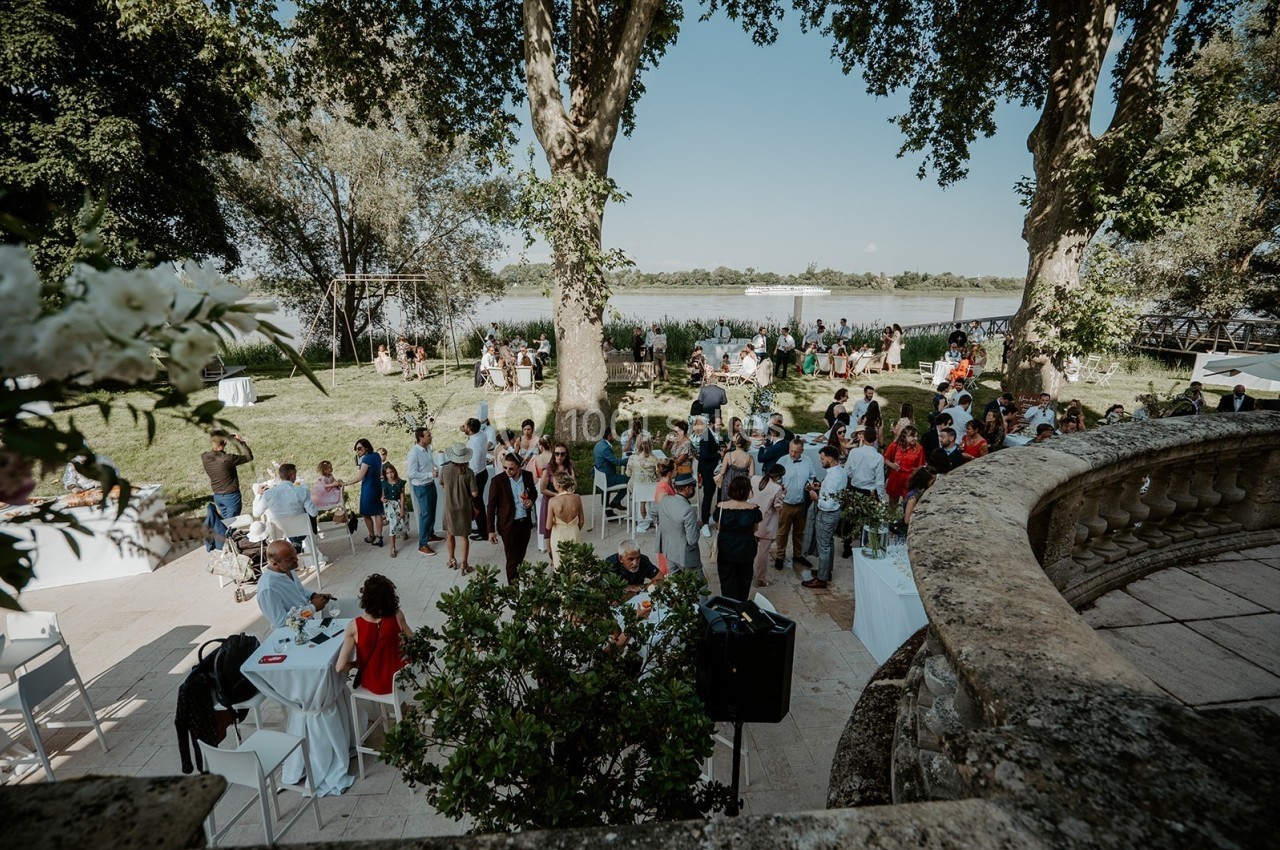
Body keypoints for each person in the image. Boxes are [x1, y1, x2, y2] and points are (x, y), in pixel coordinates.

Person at [335, 574, 412, 696]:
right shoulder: (397, 615)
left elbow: (340, 667)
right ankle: (403, 707)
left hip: (375, 684)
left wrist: (355, 664)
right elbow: (414, 641)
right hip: (401, 679)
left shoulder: (354, 626)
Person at [801, 446, 847, 590]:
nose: (821, 461)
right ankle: (826, 571)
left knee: (824, 547)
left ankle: (821, 579)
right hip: (835, 513)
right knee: (829, 543)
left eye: (822, 459)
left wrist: (816, 498)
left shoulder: (834, 477)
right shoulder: (840, 471)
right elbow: (832, 494)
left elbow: (828, 504)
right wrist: (821, 487)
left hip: (827, 514)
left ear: (830, 458)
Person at [256, 540, 331, 628]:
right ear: (275, 564)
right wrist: (313, 608)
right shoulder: (268, 588)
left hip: (307, 623)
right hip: (291, 633)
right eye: (290, 559)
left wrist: (313, 595)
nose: (296, 559)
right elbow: (281, 621)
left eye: (295, 554)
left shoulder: (287, 569)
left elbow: (300, 591)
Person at [488, 452, 537, 584]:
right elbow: (491, 507)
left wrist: (531, 501)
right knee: (512, 560)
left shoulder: (527, 476)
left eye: (511, 468)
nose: (507, 471)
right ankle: (513, 591)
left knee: (520, 557)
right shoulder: (497, 481)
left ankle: (518, 583)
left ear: (519, 466)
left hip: (524, 524)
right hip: (508, 525)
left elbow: (533, 492)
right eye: (505, 468)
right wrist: (490, 530)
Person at [202, 431, 253, 551]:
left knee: (225, 523)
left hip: (218, 497)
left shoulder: (205, 457)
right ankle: (226, 551)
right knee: (229, 528)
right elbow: (249, 457)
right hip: (231, 498)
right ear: (225, 442)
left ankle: (228, 547)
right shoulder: (227, 459)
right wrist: (241, 442)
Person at [714, 476, 761, 600]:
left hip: (726, 548)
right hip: (746, 548)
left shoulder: (721, 507)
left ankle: (730, 605)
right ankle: (741, 605)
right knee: (744, 579)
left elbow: (718, 527)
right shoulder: (753, 508)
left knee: (727, 579)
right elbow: (755, 529)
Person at [774, 438, 817, 572]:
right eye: (791, 451)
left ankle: (798, 555)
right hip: (786, 503)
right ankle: (780, 556)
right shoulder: (782, 461)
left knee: (800, 532)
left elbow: (812, 476)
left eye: (796, 452)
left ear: (802, 451)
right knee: (782, 532)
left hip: (801, 503)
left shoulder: (808, 461)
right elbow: (774, 479)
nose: (793, 454)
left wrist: (810, 485)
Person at [251, 463, 318, 549]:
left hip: (280, 531)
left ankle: (295, 543)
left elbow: (256, 513)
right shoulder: (302, 491)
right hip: (301, 529)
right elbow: (313, 512)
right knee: (306, 516)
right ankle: (297, 543)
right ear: (293, 475)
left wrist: (258, 495)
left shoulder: (268, 494)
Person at [656, 472, 703, 584]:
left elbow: (652, 511)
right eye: (693, 487)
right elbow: (692, 540)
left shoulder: (665, 500)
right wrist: (697, 526)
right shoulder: (688, 510)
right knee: (700, 587)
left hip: (669, 550)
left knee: (675, 585)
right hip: (686, 556)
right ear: (688, 488)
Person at [440, 442, 478, 573]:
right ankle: (464, 564)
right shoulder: (468, 472)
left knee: (449, 534)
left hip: (449, 507)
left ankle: (451, 559)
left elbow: (442, 485)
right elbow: (474, 493)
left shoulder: (444, 469)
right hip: (463, 507)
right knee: (464, 536)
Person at [407, 428, 442, 556]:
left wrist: (435, 467)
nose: (431, 436)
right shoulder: (413, 453)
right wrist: (430, 474)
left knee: (432, 511)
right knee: (425, 515)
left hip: (430, 484)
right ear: (421, 438)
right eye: (428, 435)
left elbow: (430, 462)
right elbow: (412, 474)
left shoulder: (428, 448)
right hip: (422, 488)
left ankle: (430, 534)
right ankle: (422, 544)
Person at [346, 438, 385, 547]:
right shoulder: (377, 455)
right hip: (377, 485)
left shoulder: (366, 459)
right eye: (356, 449)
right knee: (378, 512)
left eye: (359, 448)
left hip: (368, 488)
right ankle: (379, 536)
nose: (358, 451)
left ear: (366, 447)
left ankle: (371, 535)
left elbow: (359, 477)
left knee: (366, 513)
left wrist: (346, 483)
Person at [751, 464, 785, 588]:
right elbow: (778, 507)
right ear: (779, 476)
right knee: (763, 553)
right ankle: (761, 578)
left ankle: (749, 573)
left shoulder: (755, 479)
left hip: (752, 521)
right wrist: (783, 494)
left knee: (750, 550)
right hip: (766, 523)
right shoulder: (776, 489)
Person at [546, 470, 584, 569]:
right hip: (574, 533)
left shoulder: (553, 501)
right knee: (577, 565)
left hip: (559, 535)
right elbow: (582, 521)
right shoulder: (576, 497)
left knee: (560, 566)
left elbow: (548, 526)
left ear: (557, 484)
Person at [539, 442, 574, 549]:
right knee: (549, 531)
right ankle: (551, 556)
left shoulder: (569, 466)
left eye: (562, 454)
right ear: (553, 454)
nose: (559, 456)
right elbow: (542, 489)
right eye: (557, 454)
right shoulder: (548, 468)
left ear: (566, 455)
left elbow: (573, 482)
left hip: (565, 502)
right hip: (550, 502)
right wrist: (558, 495)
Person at [625, 434, 660, 532]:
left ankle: (641, 521)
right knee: (652, 490)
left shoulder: (632, 458)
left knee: (639, 492)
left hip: (637, 490)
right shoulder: (654, 459)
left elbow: (628, 474)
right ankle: (653, 519)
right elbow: (658, 475)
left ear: (637, 445)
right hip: (650, 490)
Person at [463, 417, 491, 539]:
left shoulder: (472, 444)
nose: (463, 427)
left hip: (476, 475)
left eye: (465, 426)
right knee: (479, 503)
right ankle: (482, 527)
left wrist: (469, 481)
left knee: (477, 504)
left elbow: (473, 467)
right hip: (483, 471)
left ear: (469, 429)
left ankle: (483, 532)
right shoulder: (481, 435)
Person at [884, 426, 925, 507]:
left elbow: (921, 466)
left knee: (907, 505)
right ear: (905, 436)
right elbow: (885, 458)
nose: (915, 438)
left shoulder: (919, 448)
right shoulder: (894, 446)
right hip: (895, 477)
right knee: (892, 504)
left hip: (909, 479)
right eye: (912, 436)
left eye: (916, 436)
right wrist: (891, 464)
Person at [593, 426, 630, 514]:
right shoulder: (605, 448)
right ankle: (616, 502)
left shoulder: (599, 444)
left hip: (600, 476)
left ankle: (609, 513)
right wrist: (631, 459)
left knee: (605, 491)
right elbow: (616, 462)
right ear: (609, 436)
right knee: (630, 481)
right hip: (607, 477)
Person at [692, 416, 719, 535]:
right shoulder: (705, 436)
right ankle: (705, 522)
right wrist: (719, 455)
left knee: (711, 495)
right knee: (708, 496)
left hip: (710, 469)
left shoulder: (709, 434)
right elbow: (705, 455)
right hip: (708, 470)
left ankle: (712, 517)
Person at [845, 426, 887, 501]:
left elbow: (847, 471)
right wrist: (880, 497)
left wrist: (856, 476)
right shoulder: (878, 457)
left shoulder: (854, 452)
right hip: (869, 491)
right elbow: (879, 481)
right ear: (875, 439)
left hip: (854, 488)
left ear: (864, 438)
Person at [718, 433, 756, 501]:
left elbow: (722, 472)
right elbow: (751, 475)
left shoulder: (728, 455)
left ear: (735, 443)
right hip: (742, 484)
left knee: (728, 504)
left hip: (729, 482)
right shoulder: (750, 458)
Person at [381, 462, 407, 557]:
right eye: (387, 473)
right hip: (389, 505)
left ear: (394, 472)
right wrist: (382, 499)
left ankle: (403, 532)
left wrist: (402, 510)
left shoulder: (400, 483)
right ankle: (393, 547)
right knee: (393, 524)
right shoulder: (384, 484)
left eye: (391, 472)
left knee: (402, 520)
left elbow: (403, 497)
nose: (390, 475)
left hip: (399, 504)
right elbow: (382, 496)